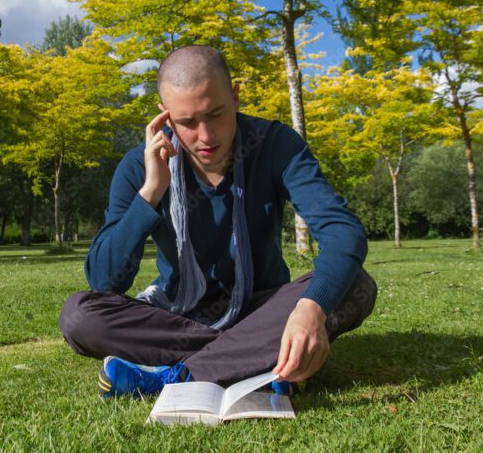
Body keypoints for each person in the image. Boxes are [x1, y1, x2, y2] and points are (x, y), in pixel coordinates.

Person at [59, 45, 377, 398]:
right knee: (79, 316)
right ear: (164, 116)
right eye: (187, 122)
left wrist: (310, 307)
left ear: (235, 97)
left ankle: (178, 376)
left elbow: (342, 231)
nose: (206, 136)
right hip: (177, 316)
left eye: (216, 114)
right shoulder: (139, 165)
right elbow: (104, 280)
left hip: (263, 308)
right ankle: (251, 356)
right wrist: (150, 192)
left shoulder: (275, 144)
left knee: (356, 285)